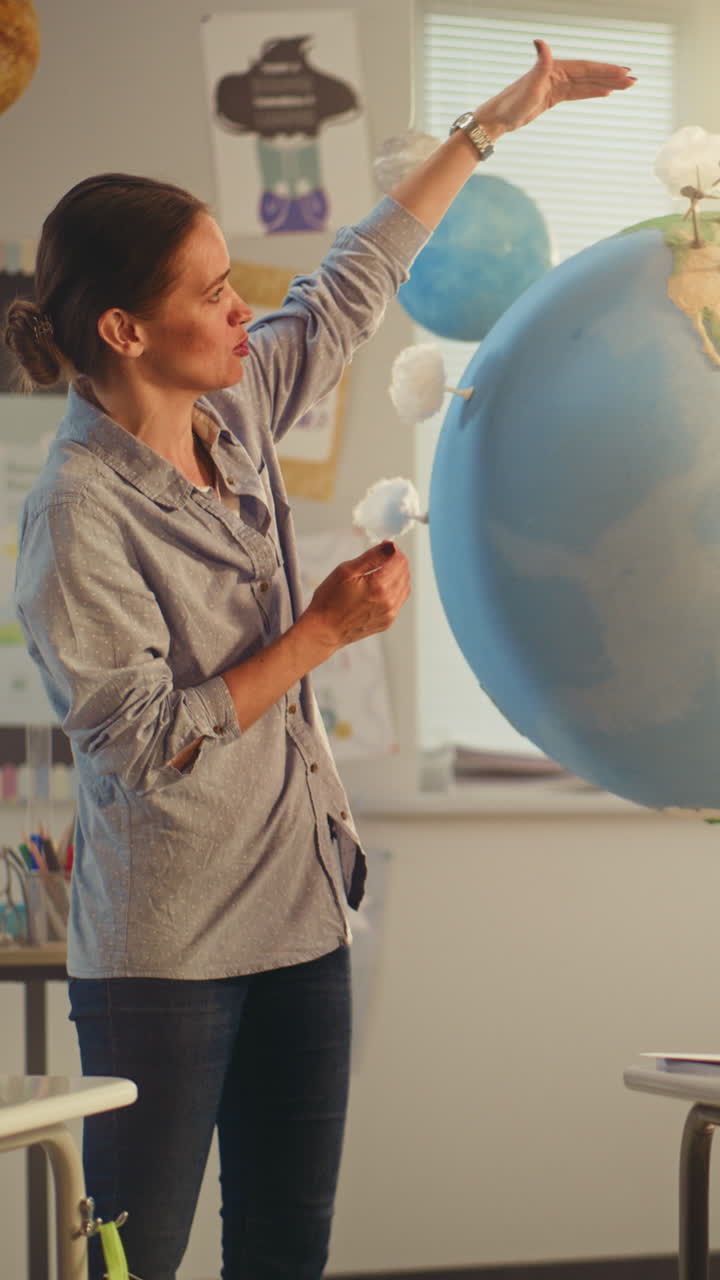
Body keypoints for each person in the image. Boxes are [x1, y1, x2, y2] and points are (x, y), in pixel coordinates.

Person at [4, 41, 634, 1280]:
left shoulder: (231, 410)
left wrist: (493, 126)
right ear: (128, 329)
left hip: (300, 916)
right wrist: (319, 636)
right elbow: (138, 741)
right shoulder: (75, 510)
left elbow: (353, 282)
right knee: (139, 1253)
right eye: (213, 293)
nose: (245, 309)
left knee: (288, 1247)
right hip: (168, 953)